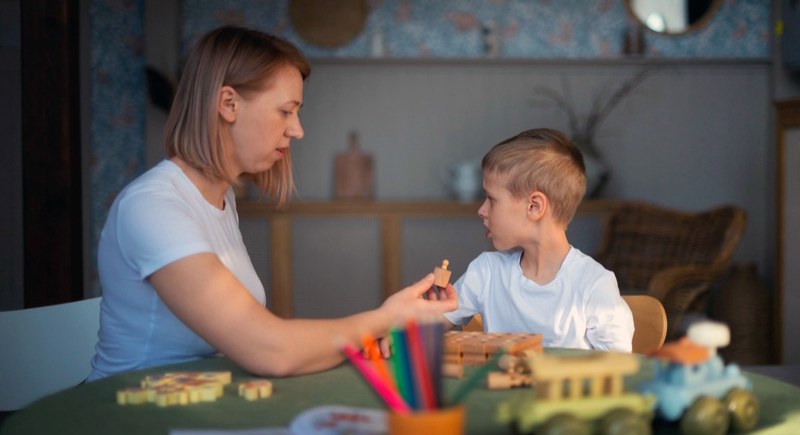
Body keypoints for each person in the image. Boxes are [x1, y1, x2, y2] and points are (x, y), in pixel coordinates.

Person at [87, 26, 457, 382]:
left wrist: (373, 329)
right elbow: (271, 351)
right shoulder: (153, 208)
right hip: (128, 408)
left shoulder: (220, 198)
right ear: (228, 103)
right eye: (285, 111)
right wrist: (386, 319)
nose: (297, 130)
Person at [443, 128, 634, 352]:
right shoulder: (486, 272)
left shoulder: (594, 286)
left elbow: (620, 370)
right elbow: (428, 325)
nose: (481, 210)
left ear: (534, 207)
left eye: (491, 199)